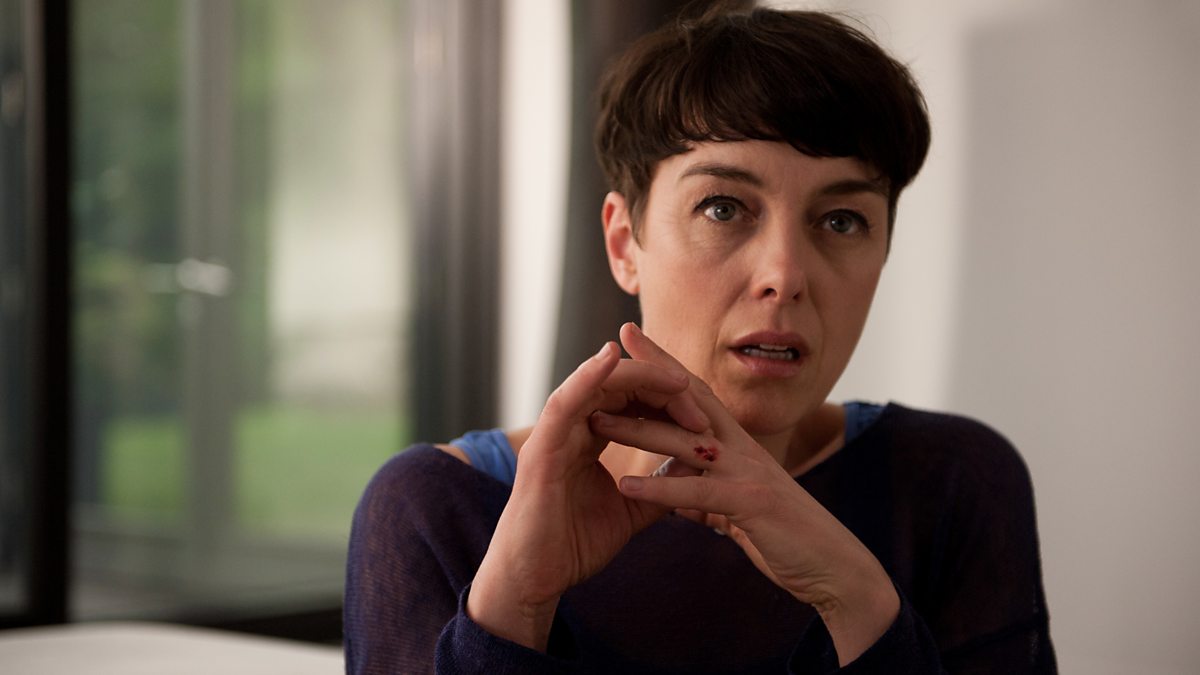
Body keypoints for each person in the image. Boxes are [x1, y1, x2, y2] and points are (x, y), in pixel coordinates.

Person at [344, 5, 1056, 673]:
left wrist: (858, 598)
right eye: (723, 208)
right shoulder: (433, 509)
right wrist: (513, 607)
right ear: (624, 243)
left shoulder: (951, 483)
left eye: (841, 220)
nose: (785, 276)